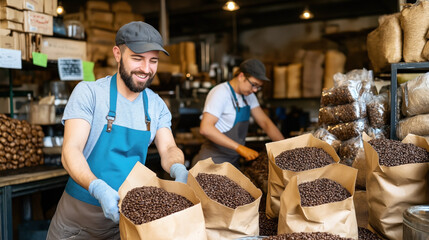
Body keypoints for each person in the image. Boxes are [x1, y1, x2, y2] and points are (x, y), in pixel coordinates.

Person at [46, 21, 189, 239]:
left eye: (153, 61)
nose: (146, 69)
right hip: (78, 223)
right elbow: (71, 151)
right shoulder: (89, 93)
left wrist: (178, 167)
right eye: (137, 58)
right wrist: (97, 188)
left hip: (127, 220)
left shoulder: (156, 105)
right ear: (117, 54)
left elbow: (169, 147)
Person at [193, 59, 284, 167]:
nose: (255, 90)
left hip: (232, 163)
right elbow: (205, 128)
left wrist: (285, 148)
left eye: (258, 87)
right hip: (212, 162)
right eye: (254, 84)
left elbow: (265, 123)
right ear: (241, 76)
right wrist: (239, 148)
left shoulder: (249, 96)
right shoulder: (220, 93)